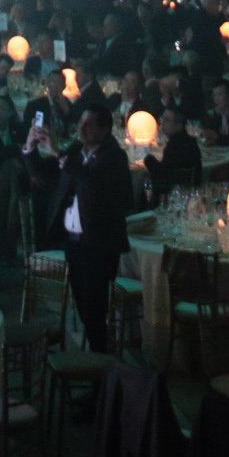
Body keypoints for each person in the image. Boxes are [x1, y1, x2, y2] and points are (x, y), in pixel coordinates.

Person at [40, 101, 130, 353]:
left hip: (98, 243)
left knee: (95, 307)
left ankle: (100, 366)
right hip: (74, 242)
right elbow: (48, 175)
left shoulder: (114, 157)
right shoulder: (78, 151)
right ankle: (96, 363)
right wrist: (30, 149)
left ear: (104, 130)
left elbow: (94, 184)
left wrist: (60, 154)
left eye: (88, 125)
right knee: (82, 305)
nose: (81, 129)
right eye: (80, 123)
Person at [143, 105, 202, 204]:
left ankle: (145, 206)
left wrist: (149, 160)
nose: (162, 123)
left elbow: (163, 174)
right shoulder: (191, 142)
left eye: (167, 120)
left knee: (146, 180)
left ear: (179, 125)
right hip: (190, 190)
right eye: (162, 119)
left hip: (168, 192)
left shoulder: (174, 146)